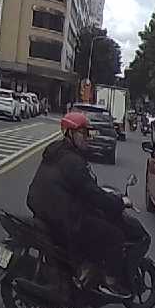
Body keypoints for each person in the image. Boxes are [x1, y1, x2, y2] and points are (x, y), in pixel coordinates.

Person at [26, 112, 128, 296]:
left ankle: (79, 273)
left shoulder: (55, 151)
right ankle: (109, 282)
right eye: (83, 133)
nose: (88, 138)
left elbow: (81, 189)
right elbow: (91, 193)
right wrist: (118, 202)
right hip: (65, 219)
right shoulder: (73, 161)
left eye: (89, 133)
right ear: (69, 133)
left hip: (44, 211)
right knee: (115, 236)